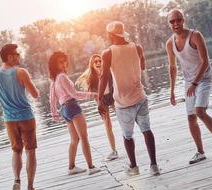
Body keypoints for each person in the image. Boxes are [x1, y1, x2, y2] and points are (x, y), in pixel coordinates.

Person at [166, 10, 212, 164]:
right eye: (172, 21)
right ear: (169, 23)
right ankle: (200, 152)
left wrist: (195, 83)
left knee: (200, 111)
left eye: (178, 20)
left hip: (204, 78)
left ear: (183, 20)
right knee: (191, 117)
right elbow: (173, 67)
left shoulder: (195, 35)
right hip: (189, 82)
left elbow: (205, 62)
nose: (175, 23)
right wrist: (171, 91)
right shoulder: (170, 43)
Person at [98, 21, 160, 176]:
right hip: (140, 97)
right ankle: (154, 166)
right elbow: (143, 66)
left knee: (127, 136)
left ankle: (134, 167)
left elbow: (103, 77)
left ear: (111, 35)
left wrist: (100, 100)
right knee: (147, 130)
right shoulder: (137, 47)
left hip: (123, 102)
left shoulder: (108, 53)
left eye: (108, 34)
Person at [0, 44, 39, 190]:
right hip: (26, 117)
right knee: (30, 152)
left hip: (9, 120)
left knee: (16, 151)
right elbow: (35, 94)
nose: (19, 56)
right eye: (17, 54)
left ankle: (17, 179)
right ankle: (30, 189)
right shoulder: (21, 72)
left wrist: (2, 97)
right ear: (10, 57)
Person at [48, 51, 101, 176]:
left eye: (64, 61)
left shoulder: (54, 79)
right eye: (60, 62)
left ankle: (71, 167)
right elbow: (74, 94)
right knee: (84, 138)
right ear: (54, 65)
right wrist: (93, 95)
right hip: (72, 106)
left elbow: (52, 99)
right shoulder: (61, 77)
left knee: (74, 139)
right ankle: (91, 167)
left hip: (64, 110)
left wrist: (54, 113)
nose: (64, 64)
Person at [75, 54, 118, 161]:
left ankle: (128, 139)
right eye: (96, 62)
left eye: (100, 61)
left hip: (113, 97)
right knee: (107, 124)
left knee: (122, 118)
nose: (98, 63)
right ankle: (113, 151)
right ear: (92, 65)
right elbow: (95, 95)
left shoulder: (108, 72)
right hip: (101, 100)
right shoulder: (91, 78)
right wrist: (99, 104)